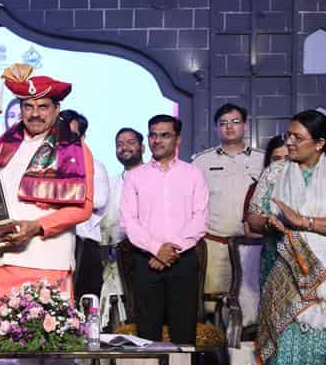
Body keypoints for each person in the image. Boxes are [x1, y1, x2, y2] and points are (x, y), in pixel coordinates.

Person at [0, 63, 94, 365]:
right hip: (0, 261)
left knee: (49, 357)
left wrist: (36, 227)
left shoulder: (74, 150)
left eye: (43, 106)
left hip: (47, 262)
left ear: (56, 109)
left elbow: (82, 208)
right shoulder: (0, 147)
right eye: (28, 106)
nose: (35, 113)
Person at [247, 110, 326, 365]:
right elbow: (253, 217)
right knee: (284, 344)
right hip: (281, 268)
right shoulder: (275, 171)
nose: (289, 142)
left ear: (320, 143)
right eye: (288, 135)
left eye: (297, 138)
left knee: (319, 345)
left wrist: (304, 222)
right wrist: (270, 223)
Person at [120, 114, 208, 344]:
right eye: (153, 135)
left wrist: (170, 251)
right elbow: (129, 221)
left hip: (184, 260)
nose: (157, 140)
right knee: (147, 335)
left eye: (165, 135)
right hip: (146, 261)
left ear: (178, 139)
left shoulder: (193, 174)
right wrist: (156, 249)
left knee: (184, 333)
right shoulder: (135, 177)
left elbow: (200, 218)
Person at [192, 103, 264, 310]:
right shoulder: (201, 162)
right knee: (212, 306)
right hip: (215, 245)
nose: (229, 127)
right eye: (223, 123)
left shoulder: (262, 159)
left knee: (252, 306)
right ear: (216, 128)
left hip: (254, 247)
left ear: (245, 126)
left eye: (235, 122)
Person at [64, 110, 110, 307]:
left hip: (83, 243)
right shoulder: (46, 163)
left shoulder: (95, 166)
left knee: (84, 305)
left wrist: (59, 192)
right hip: (53, 242)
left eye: (71, 135)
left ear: (82, 137)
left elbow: (97, 200)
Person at [100, 127, 145, 327]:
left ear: (143, 148)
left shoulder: (153, 178)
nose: (124, 147)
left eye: (130, 142)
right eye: (119, 144)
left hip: (145, 257)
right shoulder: (110, 183)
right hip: (114, 259)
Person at [242, 135, 288, 237]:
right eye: (277, 159)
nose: (282, 163)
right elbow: (248, 231)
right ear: (269, 160)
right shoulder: (255, 188)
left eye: (287, 158)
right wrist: (269, 225)